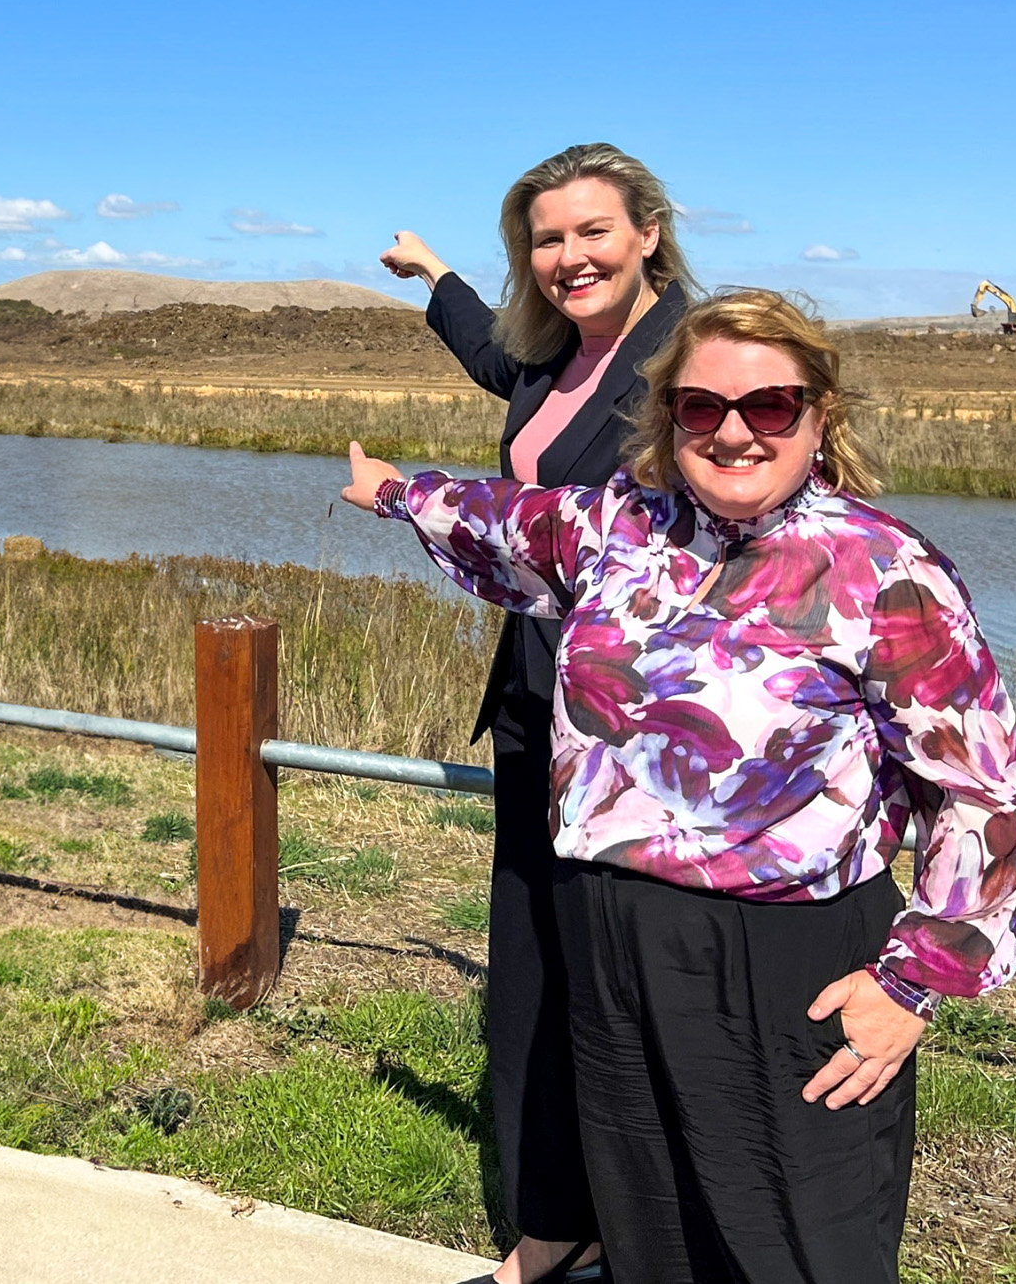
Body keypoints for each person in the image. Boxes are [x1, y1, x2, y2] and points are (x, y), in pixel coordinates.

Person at [344, 289, 1016, 1284]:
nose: (733, 432)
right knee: (649, 1221)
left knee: (794, 1240)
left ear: (818, 417)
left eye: (768, 406)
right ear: (667, 418)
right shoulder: (615, 529)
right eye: (702, 407)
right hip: (611, 933)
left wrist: (912, 983)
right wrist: (393, 493)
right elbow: (496, 520)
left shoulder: (883, 572)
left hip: (783, 958)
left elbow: (984, 791)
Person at [382, 143, 691, 1284]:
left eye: (590, 232)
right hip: (533, 703)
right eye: (546, 240)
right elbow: (493, 363)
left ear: (648, 231)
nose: (567, 258)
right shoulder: (563, 355)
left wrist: (405, 498)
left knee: (613, 973)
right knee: (537, 962)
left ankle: (621, 1225)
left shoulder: (684, 361)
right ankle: (556, 1227)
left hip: (634, 736)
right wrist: (434, 275)